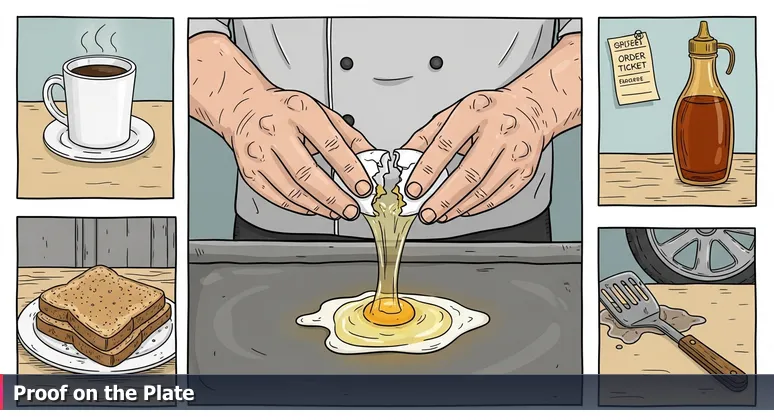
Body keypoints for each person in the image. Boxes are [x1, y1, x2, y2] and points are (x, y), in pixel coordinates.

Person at [189, 18, 581, 242]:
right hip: (287, 220)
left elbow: (615, 31)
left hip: (496, 224)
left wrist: (538, 105)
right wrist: (241, 105)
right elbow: (189, 28)